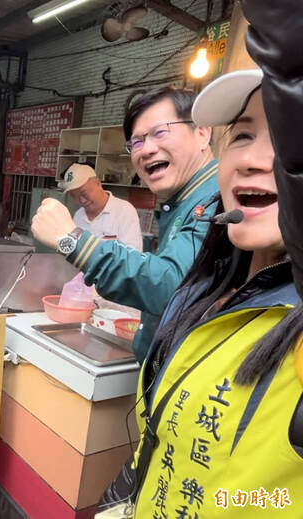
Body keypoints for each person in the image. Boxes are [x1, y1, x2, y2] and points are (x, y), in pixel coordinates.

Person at [123, 64, 303, 518]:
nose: (251, 159)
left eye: (292, 138)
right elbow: (159, 440)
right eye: (242, 136)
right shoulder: (205, 285)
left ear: (201, 137)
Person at [31, 87, 219, 362]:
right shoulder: (183, 201)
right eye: (137, 142)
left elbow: (171, 286)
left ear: (202, 132)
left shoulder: (216, 199)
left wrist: (69, 238)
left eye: (160, 132)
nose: (147, 149)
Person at [61, 163, 143, 251]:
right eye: (75, 196)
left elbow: (133, 255)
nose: (82, 200)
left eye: (84, 193)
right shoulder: (78, 215)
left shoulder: (124, 211)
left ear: (97, 183)